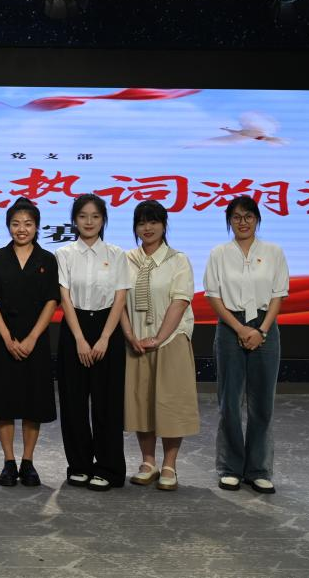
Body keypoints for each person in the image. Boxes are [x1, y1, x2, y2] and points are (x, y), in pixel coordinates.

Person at [203, 195, 288, 494]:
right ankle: (230, 468)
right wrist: (239, 328)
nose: (243, 222)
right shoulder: (219, 253)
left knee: (262, 402)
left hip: (265, 326)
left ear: (257, 219)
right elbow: (213, 295)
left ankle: (259, 470)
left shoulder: (273, 252)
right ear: (229, 221)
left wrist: (261, 331)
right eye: (237, 217)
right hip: (230, 327)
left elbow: (278, 294)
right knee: (229, 401)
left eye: (248, 216)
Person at [0, 198, 59, 487]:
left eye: (28, 224)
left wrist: (32, 338)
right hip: (3, 339)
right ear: (8, 226)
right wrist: (7, 338)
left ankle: (28, 461)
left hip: (36, 339)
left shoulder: (47, 259)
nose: (21, 229)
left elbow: (52, 300)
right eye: (15, 224)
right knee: (4, 403)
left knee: (33, 403)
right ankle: (9, 462)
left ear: (37, 227)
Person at [120, 200, 199, 492]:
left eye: (153, 221)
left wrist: (158, 337)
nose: (147, 228)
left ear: (164, 225)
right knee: (142, 402)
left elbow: (180, 302)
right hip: (136, 342)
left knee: (170, 403)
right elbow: (119, 302)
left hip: (170, 339)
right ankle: (148, 461)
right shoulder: (126, 260)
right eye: (141, 222)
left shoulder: (178, 260)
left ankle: (169, 464)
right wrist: (131, 336)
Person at [56, 193, 131, 492]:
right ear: (74, 220)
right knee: (73, 402)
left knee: (107, 403)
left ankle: (109, 468)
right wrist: (79, 339)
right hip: (73, 328)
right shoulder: (64, 253)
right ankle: (79, 465)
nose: (89, 222)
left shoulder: (116, 254)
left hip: (106, 329)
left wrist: (103, 338)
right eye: (83, 216)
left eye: (95, 216)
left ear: (104, 220)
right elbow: (64, 297)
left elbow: (120, 297)